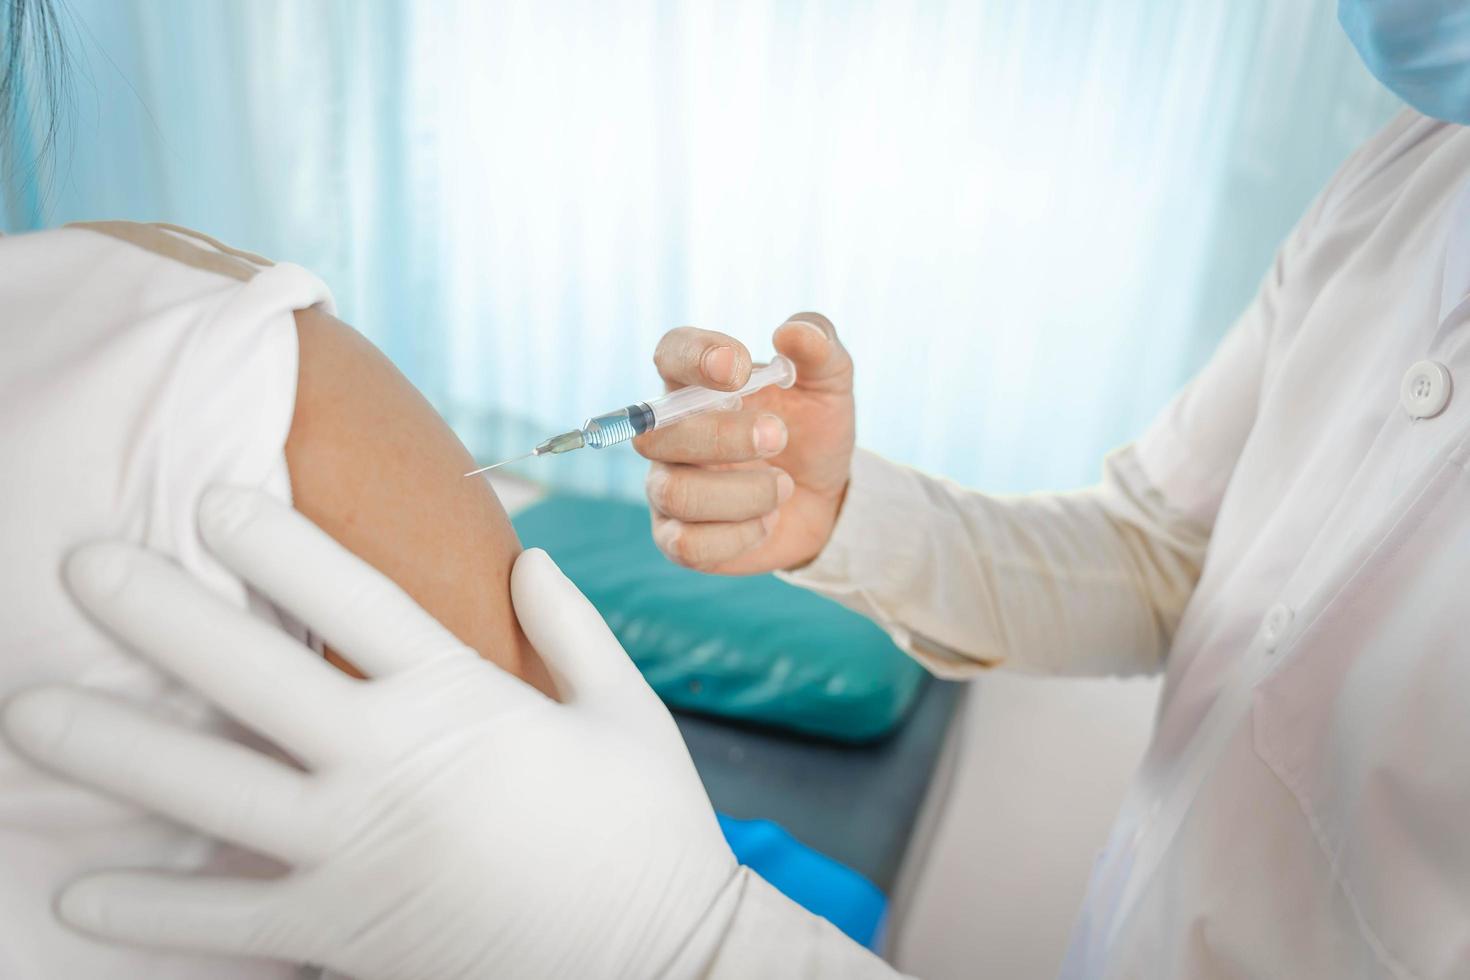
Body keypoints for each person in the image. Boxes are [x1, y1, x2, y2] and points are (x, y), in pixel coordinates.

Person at [6, 1, 1470, 979]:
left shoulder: (222, 357)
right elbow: (1167, 557)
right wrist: (842, 517)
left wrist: (694, 942)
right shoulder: (1408, 178)